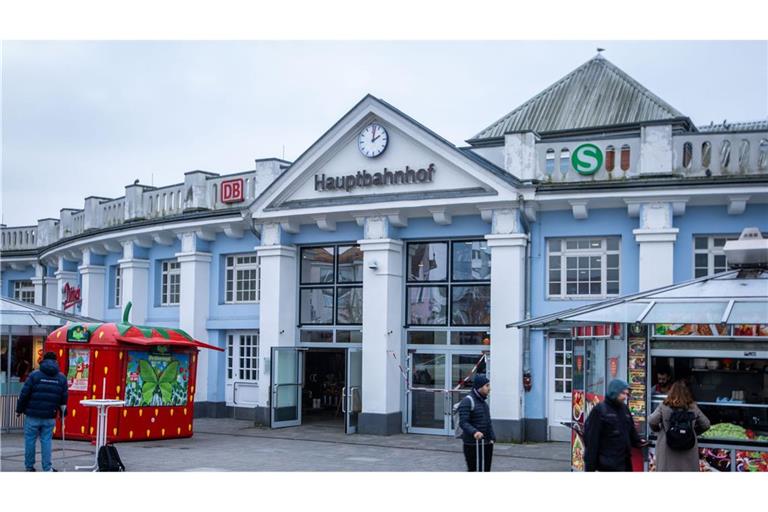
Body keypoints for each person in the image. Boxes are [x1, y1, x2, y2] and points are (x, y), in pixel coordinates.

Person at [15, 351, 68, 472]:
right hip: (49, 415)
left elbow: (24, 394)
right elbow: (64, 398)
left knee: (30, 440)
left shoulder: (34, 375)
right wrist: (63, 413)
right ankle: (47, 467)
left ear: (43, 360)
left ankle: (29, 466)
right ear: (56, 362)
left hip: (32, 415)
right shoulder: (61, 378)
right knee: (46, 441)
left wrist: (19, 409)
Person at [584, 379, 646, 472]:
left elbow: (631, 430)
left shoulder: (624, 409)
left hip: (625, 463)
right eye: (623, 394)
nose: (625, 397)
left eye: (627, 394)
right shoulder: (599, 410)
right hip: (607, 465)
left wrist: (638, 441)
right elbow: (592, 441)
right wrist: (590, 468)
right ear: (614, 392)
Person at [648, 380, 710, 471]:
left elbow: (652, 421)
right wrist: (693, 432)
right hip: (688, 447)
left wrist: (658, 430)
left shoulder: (664, 406)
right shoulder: (693, 407)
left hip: (667, 447)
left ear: (671, 391)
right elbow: (706, 424)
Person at [457, 374, 495, 471]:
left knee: (486, 470)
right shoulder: (467, 401)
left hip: (486, 443)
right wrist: (475, 432)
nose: (489, 388)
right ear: (479, 387)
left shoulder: (484, 403)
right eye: (487, 386)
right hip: (472, 444)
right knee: (474, 470)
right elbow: (463, 422)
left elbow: (488, 422)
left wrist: (492, 437)